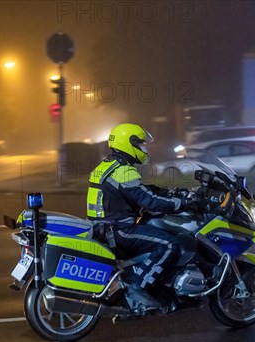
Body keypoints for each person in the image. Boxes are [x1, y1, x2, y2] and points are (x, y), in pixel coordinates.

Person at [86, 123, 200, 309]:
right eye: (141, 144)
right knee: (169, 244)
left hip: (103, 228)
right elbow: (150, 201)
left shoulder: (107, 166)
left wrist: (170, 192)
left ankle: (142, 279)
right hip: (120, 230)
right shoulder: (124, 171)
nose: (145, 149)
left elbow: (140, 191)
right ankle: (138, 287)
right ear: (128, 144)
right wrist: (184, 202)